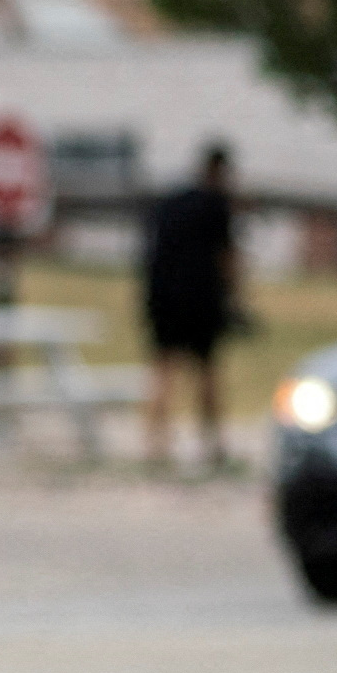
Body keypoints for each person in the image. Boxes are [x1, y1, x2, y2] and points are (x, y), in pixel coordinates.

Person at [142, 144, 244, 470]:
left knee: (162, 369)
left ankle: (156, 443)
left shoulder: (170, 202)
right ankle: (211, 443)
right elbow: (227, 257)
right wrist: (235, 298)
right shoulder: (217, 206)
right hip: (201, 298)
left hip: (163, 296)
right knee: (207, 372)